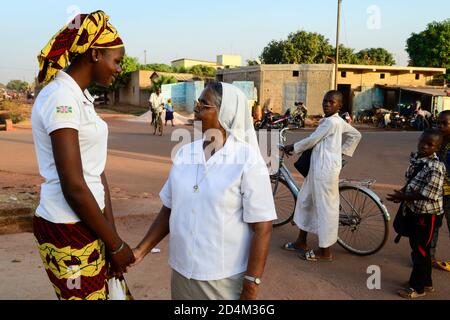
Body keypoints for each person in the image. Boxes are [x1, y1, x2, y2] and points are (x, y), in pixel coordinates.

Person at [132, 82, 277, 300]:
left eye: (204, 104)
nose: (196, 108)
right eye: (198, 102)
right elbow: (169, 209)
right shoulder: (184, 154)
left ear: (225, 113)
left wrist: (251, 285)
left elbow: (262, 227)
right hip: (182, 272)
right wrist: (140, 251)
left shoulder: (247, 160)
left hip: (223, 279)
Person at [31, 10, 135, 300]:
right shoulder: (60, 97)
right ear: (95, 54)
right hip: (67, 227)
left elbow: (96, 171)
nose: (117, 69)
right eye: (116, 61)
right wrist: (115, 245)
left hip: (91, 223)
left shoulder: (80, 97)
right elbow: (74, 186)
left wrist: (110, 236)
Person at [282, 90, 361, 261]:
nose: (327, 104)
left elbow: (312, 139)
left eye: (332, 102)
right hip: (317, 168)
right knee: (305, 201)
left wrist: (292, 147)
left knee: (325, 209)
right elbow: (356, 134)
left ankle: (325, 251)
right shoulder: (335, 121)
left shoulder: (332, 123)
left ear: (339, 106)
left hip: (325, 172)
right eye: (325, 101)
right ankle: (301, 241)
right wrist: (340, 154)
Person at [387, 129, 446, 299]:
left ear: (437, 147)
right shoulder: (418, 159)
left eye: (430, 145)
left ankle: (417, 287)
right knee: (418, 248)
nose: (424, 146)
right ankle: (426, 282)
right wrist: (402, 194)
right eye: (422, 142)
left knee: (420, 250)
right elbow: (412, 182)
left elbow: (430, 194)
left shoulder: (436, 167)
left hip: (427, 214)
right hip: (414, 210)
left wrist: (403, 196)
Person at [431, 111, 450, 271]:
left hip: (449, 193)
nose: (440, 126)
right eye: (439, 123)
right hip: (436, 192)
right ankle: (429, 258)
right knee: (434, 226)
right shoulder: (436, 141)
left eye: (445, 124)